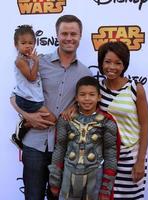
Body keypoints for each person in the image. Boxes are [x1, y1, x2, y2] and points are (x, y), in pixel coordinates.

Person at [10, 15, 92, 200]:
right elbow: (14, 96)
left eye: (73, 33)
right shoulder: (39, 62)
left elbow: (89, 106)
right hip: (34, 145)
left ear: (80, 36)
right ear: (57, 35)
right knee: (33, 197)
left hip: (64, 149)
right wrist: (28, 117)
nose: (69, 38)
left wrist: (77, 109)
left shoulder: (85, 73)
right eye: (64, 33)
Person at [48, 76, 118, 200]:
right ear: (76, 98)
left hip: (95, 174)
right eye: (82, 94)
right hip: (69, 172)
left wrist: (106, 186)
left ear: (99, 97)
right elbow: (59, 148)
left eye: (91, 94)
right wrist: (55, 178)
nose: (87, 98)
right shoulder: (66, 120)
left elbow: (110, 153)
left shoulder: (107, 122)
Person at [97, 41, 148, 199]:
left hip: (131, 158)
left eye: (117, 63)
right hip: (105, 159)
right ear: (101, 63)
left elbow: (145, 125)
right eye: (107, 62)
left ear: (124, 65)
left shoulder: (135, 88)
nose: (112, 67)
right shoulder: (97, 89)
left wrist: (140, 161)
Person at [11, 25, 57, 149]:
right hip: (27, 100)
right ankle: (23, 126)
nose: (28, 46)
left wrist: (35, 60)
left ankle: (23, 128)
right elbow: (31, 77)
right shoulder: (20, 61)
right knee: (52, 119)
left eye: (31, 42)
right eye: (23, 43)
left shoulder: (29, 58)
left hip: (33, 98)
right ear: (16, 45)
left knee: (47, 120)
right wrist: (36, 62)